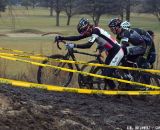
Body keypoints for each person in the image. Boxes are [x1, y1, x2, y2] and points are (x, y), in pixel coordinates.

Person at [55, 18, 124, 89]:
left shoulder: (96, 31)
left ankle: (123, 83)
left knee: (106, 73)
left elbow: (88, 45)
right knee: (105, 73)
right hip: (111, 52)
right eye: (82, 32)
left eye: (84, 31)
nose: (84, 34)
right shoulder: (90, 31)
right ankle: (115, 90)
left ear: (88, 27)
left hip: (117, 51)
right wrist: (61, 38)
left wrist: (74, 45)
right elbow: (77, 37)